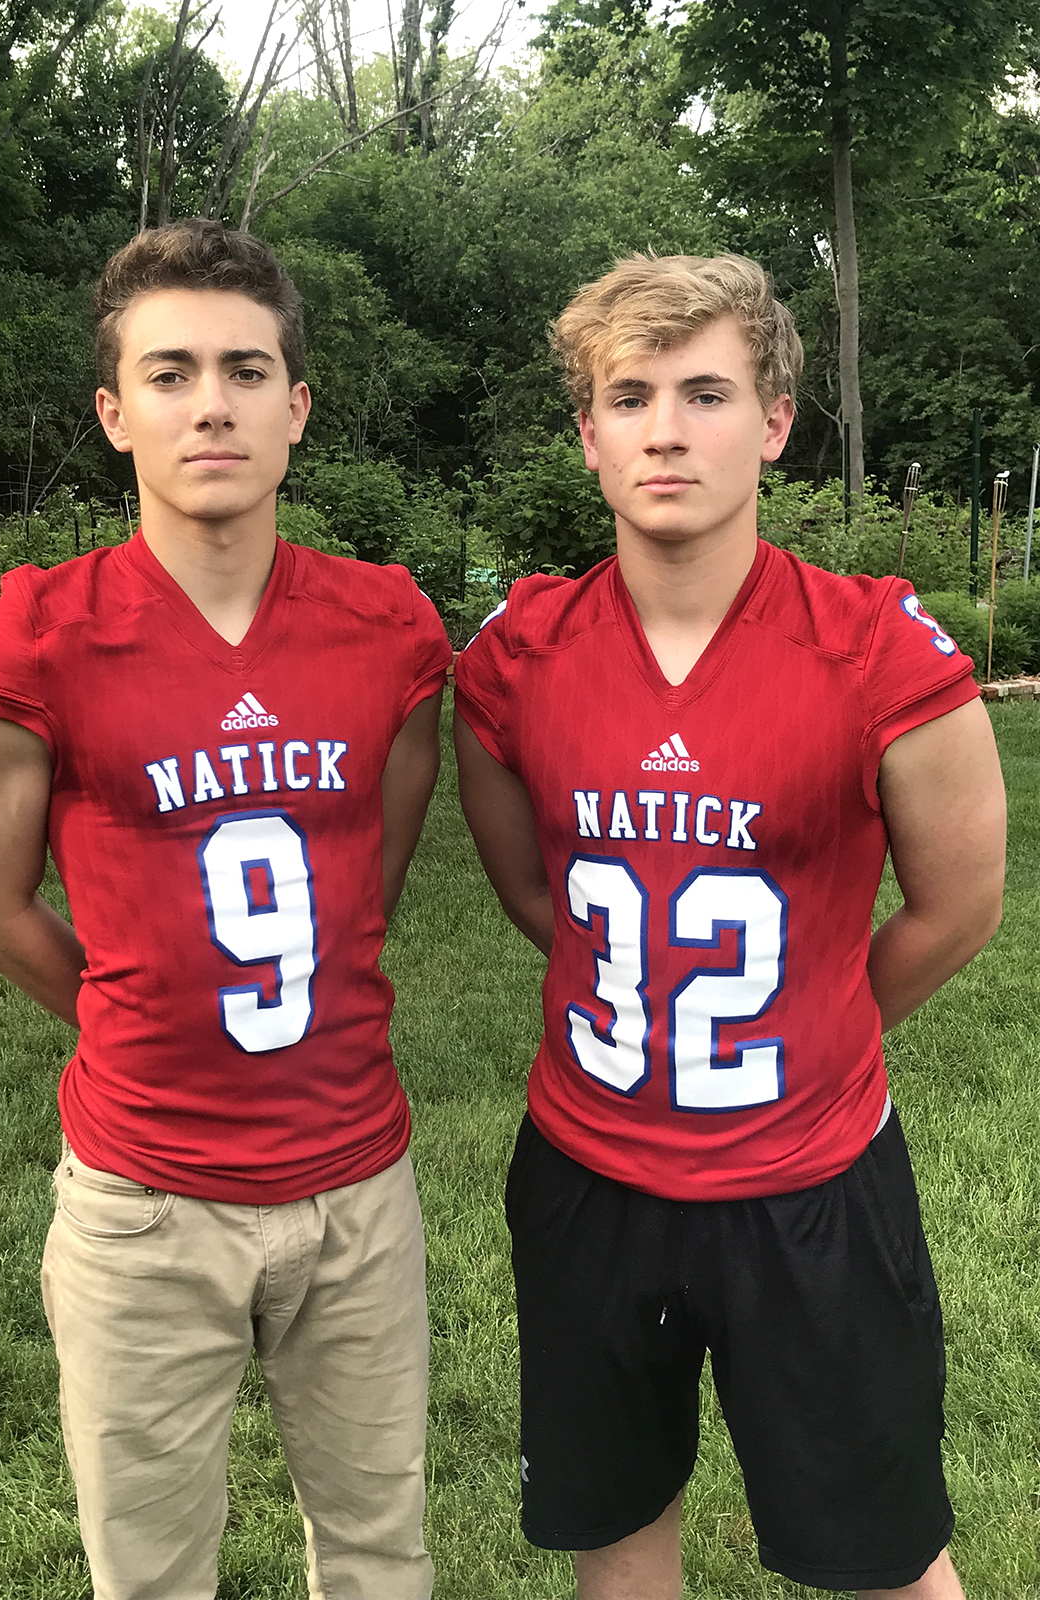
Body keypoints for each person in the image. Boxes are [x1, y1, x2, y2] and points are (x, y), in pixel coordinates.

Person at [454, 253, 1005, 1599]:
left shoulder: (880, 651)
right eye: (628, 395)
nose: (664, 428)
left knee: (884, 1554)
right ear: (587, 434)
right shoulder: (515, 656)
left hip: (808, 1182)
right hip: (590, 1175)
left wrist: (818, 1012)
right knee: (618, 1535)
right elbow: (540, 897)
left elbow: (959, 906)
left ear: (774, 421)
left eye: (705, 392)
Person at [0, 218, 449, 1600]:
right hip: (145, 1199)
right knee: (151, 1572)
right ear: (116, 413)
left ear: (297, 408)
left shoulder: (389, 626)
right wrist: (141, 1005)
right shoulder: (34, 636)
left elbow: (372, 873)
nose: (209, 401)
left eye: (243, 368)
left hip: (356, 1185)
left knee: (383, 1552)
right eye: (169, 374)